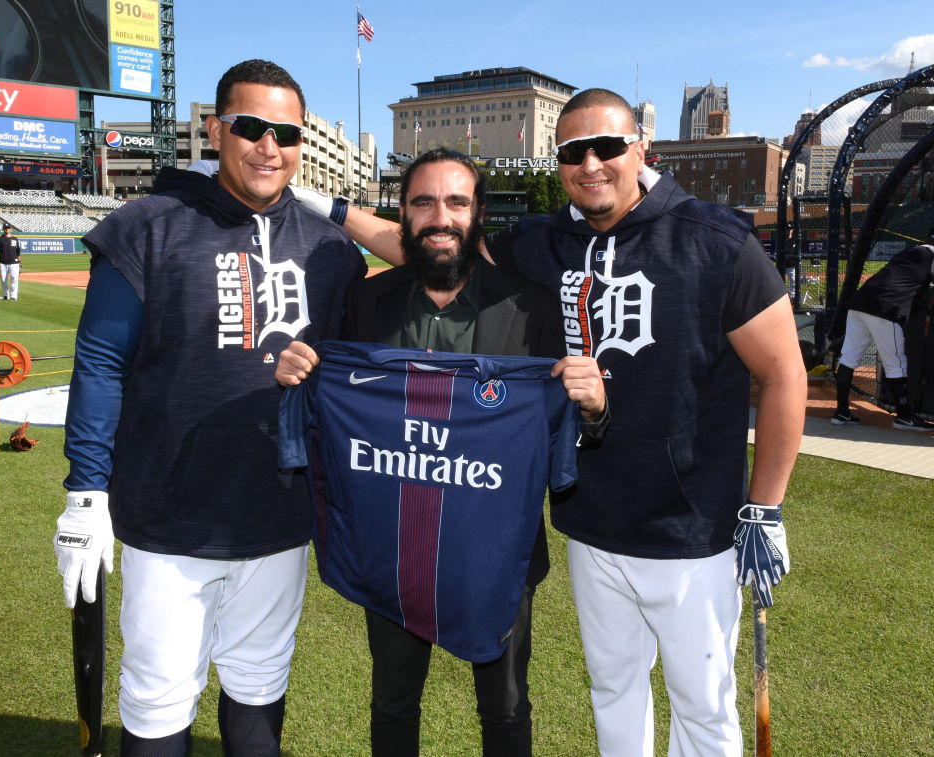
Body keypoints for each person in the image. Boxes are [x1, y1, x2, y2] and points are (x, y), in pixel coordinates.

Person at [291, 88, 806, 756]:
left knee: (703, 709)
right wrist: (331, 207)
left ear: (640, 149)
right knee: (614, 693)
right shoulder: (541, 243)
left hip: (694, 525)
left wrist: (764, 507)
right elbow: (431, 243)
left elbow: (784, 373)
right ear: (557, 161)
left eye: (608, 147)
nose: (591, 163)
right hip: (590, 525)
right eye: (573, 151)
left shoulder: (716, 238)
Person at [54, 59, 367, 757]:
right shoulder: (147, 225)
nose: (268, 147)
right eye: (250, 127)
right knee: (159, 696)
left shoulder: (331, 251)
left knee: (259, 688)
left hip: (279, 515)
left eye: (286, 134)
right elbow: (101, 358)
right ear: (215, 128)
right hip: (169, 514)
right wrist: (84, 489)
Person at [275, 147, 606, 757]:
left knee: (504, 706)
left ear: (477, 213)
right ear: (402, 213)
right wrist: (303, 369)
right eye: (424, 202)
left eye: (456, 201)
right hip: (394, 540)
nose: (441, 216)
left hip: (494, 547)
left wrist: (592, 407)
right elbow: (340, 402)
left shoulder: (530, 306)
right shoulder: (366, 302)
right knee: (394, 700)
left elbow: (562, 428)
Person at [832, 230, 934, 430]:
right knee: (896, 364)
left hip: (860, 303)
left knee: (848, 358)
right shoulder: (931, 254)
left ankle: (841, 412)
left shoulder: (910, 252)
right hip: (886, 309)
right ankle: (905, 417)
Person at [0, 224, 21, 300]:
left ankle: (14, 296)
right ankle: (5, 295)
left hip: (14, 262)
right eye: (5, 228)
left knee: (14, 279)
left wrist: (20, 262)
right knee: (3, 279)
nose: (7, 230)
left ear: (11, 229)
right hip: (2, 262)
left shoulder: (15, 239)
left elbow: (18, 252)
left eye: (8, 228)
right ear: (3, 229)